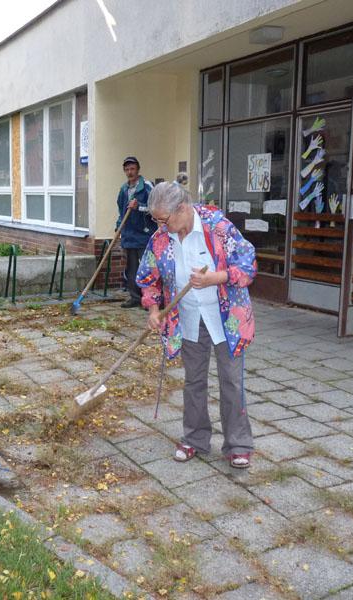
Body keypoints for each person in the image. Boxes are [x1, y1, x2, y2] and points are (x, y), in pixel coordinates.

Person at [136, 182, 257, 469]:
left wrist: (215, 278)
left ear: (183, 208)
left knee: (231, 381)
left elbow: (248, 265)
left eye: (163, 219)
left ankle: (238, 445)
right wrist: (154, 309)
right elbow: (147, 278)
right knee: (194, 382)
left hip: (226, 320)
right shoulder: (161, 239)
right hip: (188, 319)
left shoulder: (219, 228)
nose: (160, 226)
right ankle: (195, 439)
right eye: (156, 220)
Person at [116, 156, 156, 308]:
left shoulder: (147, 186)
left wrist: (138, 206)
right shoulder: (123, 189)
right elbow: (121, 212)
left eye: (132, 169)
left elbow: (155, 208)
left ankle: (151, 300)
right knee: (131, 269)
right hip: (129, 234)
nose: (129, 172)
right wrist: (118, 227)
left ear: (138, 169)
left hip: (144, 234)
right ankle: (134, 297)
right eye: (127, 169)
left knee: (147, 268)